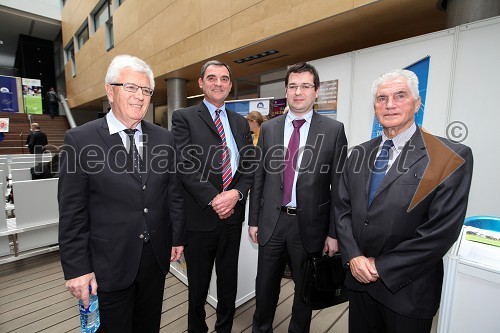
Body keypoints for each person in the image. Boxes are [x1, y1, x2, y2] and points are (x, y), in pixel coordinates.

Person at [335, 69, 473, 333]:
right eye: (381, 98)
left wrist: (380, 266)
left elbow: (440, 232)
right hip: (359, 281)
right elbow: (343, 210)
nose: (389, 104)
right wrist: (353, 256)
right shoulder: (358, 154)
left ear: (417, 103)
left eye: (400, 96)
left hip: (408, 291)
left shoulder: (449, 157)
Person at [58, 54, 185, 332]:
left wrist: (176, 237)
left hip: (154, 259)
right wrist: (77, 268)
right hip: (107, 265)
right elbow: (72, 213)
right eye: (130, 87)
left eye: (146, 90)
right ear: (110, 90)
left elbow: (171, 193)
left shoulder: (164, 138)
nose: (140, 96)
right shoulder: (80, 141)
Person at [248, 62, 348, 333]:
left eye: (305, 86)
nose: (298, 92)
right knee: (265, 287)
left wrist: (333, 232)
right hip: (272, 222)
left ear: (316, 91)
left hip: (311, 226)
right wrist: (253, 220)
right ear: (286, 90)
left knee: (305, 292)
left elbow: (339, 187)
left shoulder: (333, 130)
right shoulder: (269, 129)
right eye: (293, 86)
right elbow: (260, 177)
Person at [171, 60, 255, 333]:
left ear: (230, 85)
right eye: (212, 78)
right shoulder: (183, 117)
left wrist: (236, 193)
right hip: (201, 216)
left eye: (224, 79)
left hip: (232, 218)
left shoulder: (240, 122)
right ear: (201, 83)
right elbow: (184, 164)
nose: (218, 83)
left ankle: (224, 328)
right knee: (198, 285)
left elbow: (249, 165)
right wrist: (215, 199)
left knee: (229, 281)